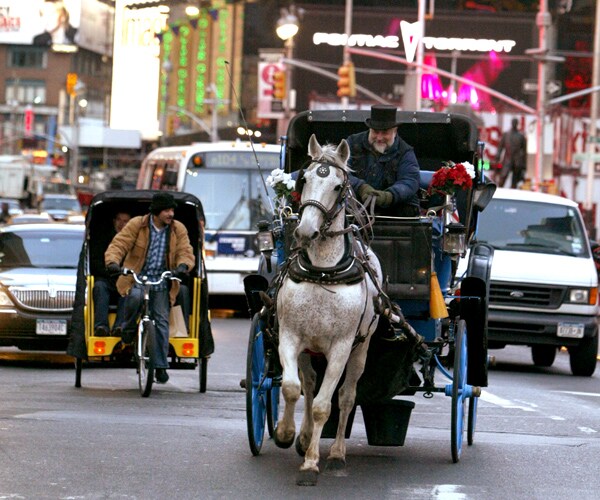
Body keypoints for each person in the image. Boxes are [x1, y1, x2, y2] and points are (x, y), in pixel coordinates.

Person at [105, 192, 195, 384]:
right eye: (166, 210)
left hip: (162, 281)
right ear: (156, 212)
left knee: (161, 320)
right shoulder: (138, 224)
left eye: (172, 210)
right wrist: (113, 262)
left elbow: (185, 251)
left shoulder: (177, 229)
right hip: (137, 278)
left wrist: (182, 267)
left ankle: (160, 366)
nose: (171, 214)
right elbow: (119, 244)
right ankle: (128, 329)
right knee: (135, 297)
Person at [347, 104, 420, 217]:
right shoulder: (352, 143)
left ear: (395, 131)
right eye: (375, 131)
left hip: (395, 213)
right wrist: (361, 187)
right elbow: (339, 171)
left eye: (385, 132)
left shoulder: (405, 152)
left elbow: (410, 181)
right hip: (355, 209)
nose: (379, 137)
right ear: (369, 129)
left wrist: (388, 196)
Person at [92, 211, 131, 337]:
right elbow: (96, 261)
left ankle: (120, 326)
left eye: (125, 221)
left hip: (126, 280)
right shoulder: (103, 237)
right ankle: (101, 326)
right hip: (107, 278)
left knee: (129, 289)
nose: (122, 224)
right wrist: (111, 272)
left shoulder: (134, 240)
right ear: (114, 221)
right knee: (99, 286)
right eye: (119, 219)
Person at [495, 117, 527, 189]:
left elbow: (524, 152)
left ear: (517, 124)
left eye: (515, 123)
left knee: (514, 181)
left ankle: (512, 192)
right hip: (507, 159)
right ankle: (499, 191)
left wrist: (524, 165)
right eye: (513, 122)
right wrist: (498, 155)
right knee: (502, 178)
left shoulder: (521, 136)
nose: (514, 124)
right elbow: (501, 146)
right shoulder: (506, 134)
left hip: (517, 160)